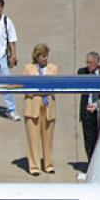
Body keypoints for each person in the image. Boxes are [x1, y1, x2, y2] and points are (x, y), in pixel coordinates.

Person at [22, 43, 58, 176]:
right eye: (42, 56)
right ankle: (34, 166)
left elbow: (54, 86)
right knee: (33, 138)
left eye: (46, 56)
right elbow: (25, 87)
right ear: (36, 57)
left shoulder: (53, 68)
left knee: (48, 138)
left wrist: (45, 92)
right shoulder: (28, 68)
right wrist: (39, 92)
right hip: (33, 106)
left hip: (48, 106)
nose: (45, 59)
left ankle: (48, 165)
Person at [77, 51, 100, 169]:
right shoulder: (82, 72)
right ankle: (91, 164)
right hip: (87, 110)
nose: (88, 65)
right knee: (89, 140)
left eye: (91, 63)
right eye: (87, 62)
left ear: (98, 62)